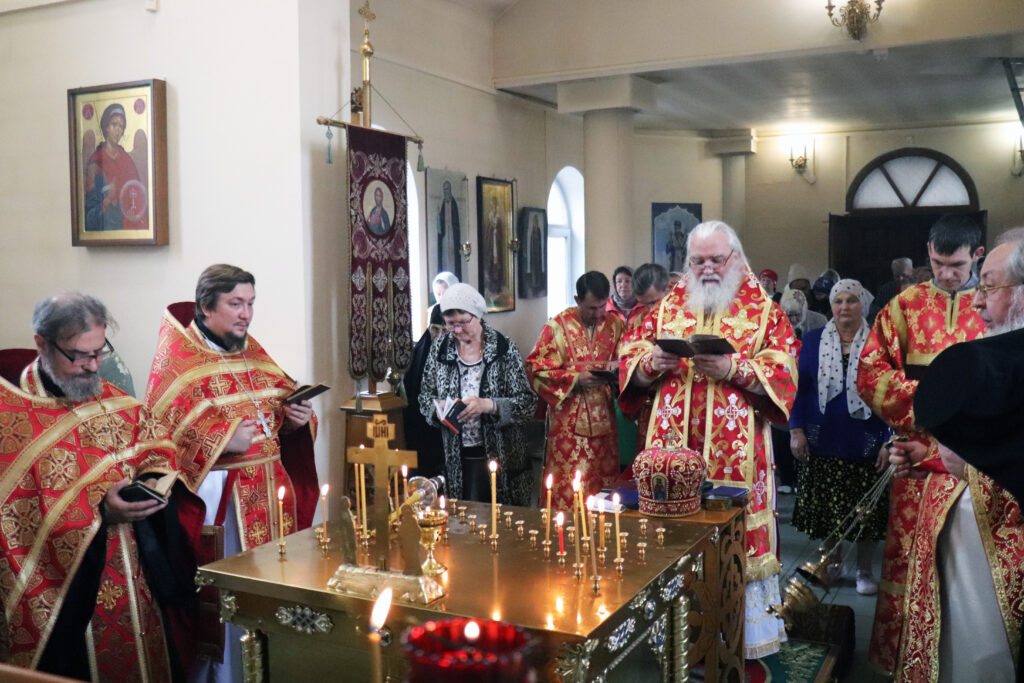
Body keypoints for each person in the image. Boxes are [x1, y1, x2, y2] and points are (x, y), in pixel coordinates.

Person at [620, 220, 799, 659]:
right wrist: (651, 363)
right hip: (670, 451)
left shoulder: (764, 311)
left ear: (734, 257)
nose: (707, 269)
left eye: (716, 259)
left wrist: (735, 369)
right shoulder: (666, 307)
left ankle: (738, 643)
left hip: (736, 453)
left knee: (731, 543)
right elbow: (629, 355)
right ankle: (675, 638)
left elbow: (785, 370)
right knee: (672, 542)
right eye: (697, 261)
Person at [0, 293, 197, 682]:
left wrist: (152, 480)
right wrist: (100, 511)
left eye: (99, 352)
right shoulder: (9, 419)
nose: (92, 366)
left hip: (137, 574)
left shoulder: (112, 399)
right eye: (79, 356)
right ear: (42, 344)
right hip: (69, 599)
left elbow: (157, 445)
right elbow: (13, 521)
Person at [144, 264, 319, 680]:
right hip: (222, 507)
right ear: (207, 307)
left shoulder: (248, 349)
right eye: (236, 304)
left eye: (251, 304)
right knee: (229, 605)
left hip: (270, 501)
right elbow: (159, 435)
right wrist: (220, 442)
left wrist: (294, 420)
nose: (246, 314)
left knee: (272, 592)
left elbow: (277, 404)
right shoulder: (178, 360)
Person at [883, 232, 1024, 682]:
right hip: (956, 518)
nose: (976, 301)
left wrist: (972, 464)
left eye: (989, 287)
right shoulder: (904, 306)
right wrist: (930, 444)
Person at [857, 213, 986, 676]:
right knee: (910, 562)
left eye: (956, 265)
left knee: (967, 568)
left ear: (977, 255)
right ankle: (904, 663)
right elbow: (870, 373)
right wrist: (931, 405)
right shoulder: (905, 305)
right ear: (928, 252)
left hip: (977, 461)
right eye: (938, 264)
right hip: (913, 462)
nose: (946, 275)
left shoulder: (994, 306)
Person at [789, 280, 891, 595]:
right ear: (831, 305)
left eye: (851, 300)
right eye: (838, 301)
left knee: (865, 510)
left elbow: (892, 392)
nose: (844, 307)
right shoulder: (813, 340)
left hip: (867, 438)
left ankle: (864, 570)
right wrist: (796, 429)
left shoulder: (879, 342)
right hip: (821, 437)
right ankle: (831, 563)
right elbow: (798, 388)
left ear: (863, 304)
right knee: (828, 506)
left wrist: (889, 439)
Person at [418, 284, 536, 505]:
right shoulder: (440, 349)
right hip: (455, 457)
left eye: (463, 322)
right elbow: (424, 397)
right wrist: (437, 409)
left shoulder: (503, 348)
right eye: (450, 323)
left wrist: (490, 405)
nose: (456, 330)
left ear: (477, 316)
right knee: (461, 518)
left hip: (501, 455)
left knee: (497, 518)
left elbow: (527, 403)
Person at [527, 271, 623, 511]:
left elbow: (629, 361)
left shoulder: (616, 325)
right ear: (577, 300)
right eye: (591, 308)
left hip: (605, 422)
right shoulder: (556, 327)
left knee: (604, 488)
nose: (598, 313)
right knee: (568, 488)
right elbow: (536, 370)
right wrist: (576, 378)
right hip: (567, 425)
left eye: (602, 306)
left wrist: (618, 367)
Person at [617, 263, 670, 455]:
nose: (651, 309)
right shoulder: (643, 322)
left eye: (655, 302)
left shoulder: (690, 316)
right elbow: (627, 355)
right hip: (652, 409)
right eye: (645, 304)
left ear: (669, 288)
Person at [84, 102, 148, 230]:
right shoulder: (96, 162)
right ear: (106, 127)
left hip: (127, 223)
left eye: (121, 126)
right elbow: (88, 216)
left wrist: (133, 209)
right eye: (114, 124)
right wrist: (108, 199)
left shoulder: (127, 160)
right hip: (106, 225)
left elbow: (137, 194)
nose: (118, 130)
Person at [437, 180, 461, 278]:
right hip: (445, 236)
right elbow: (440, 220)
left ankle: (453, 276)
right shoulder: (443, 204)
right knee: (445, 259)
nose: (445, 192)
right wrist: (438, 217)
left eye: (447, 189)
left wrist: (453, 228)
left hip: (452, 236)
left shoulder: (454, 204)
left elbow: (456, 222)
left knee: (453, 258)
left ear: (450, 190)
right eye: (444, 190)